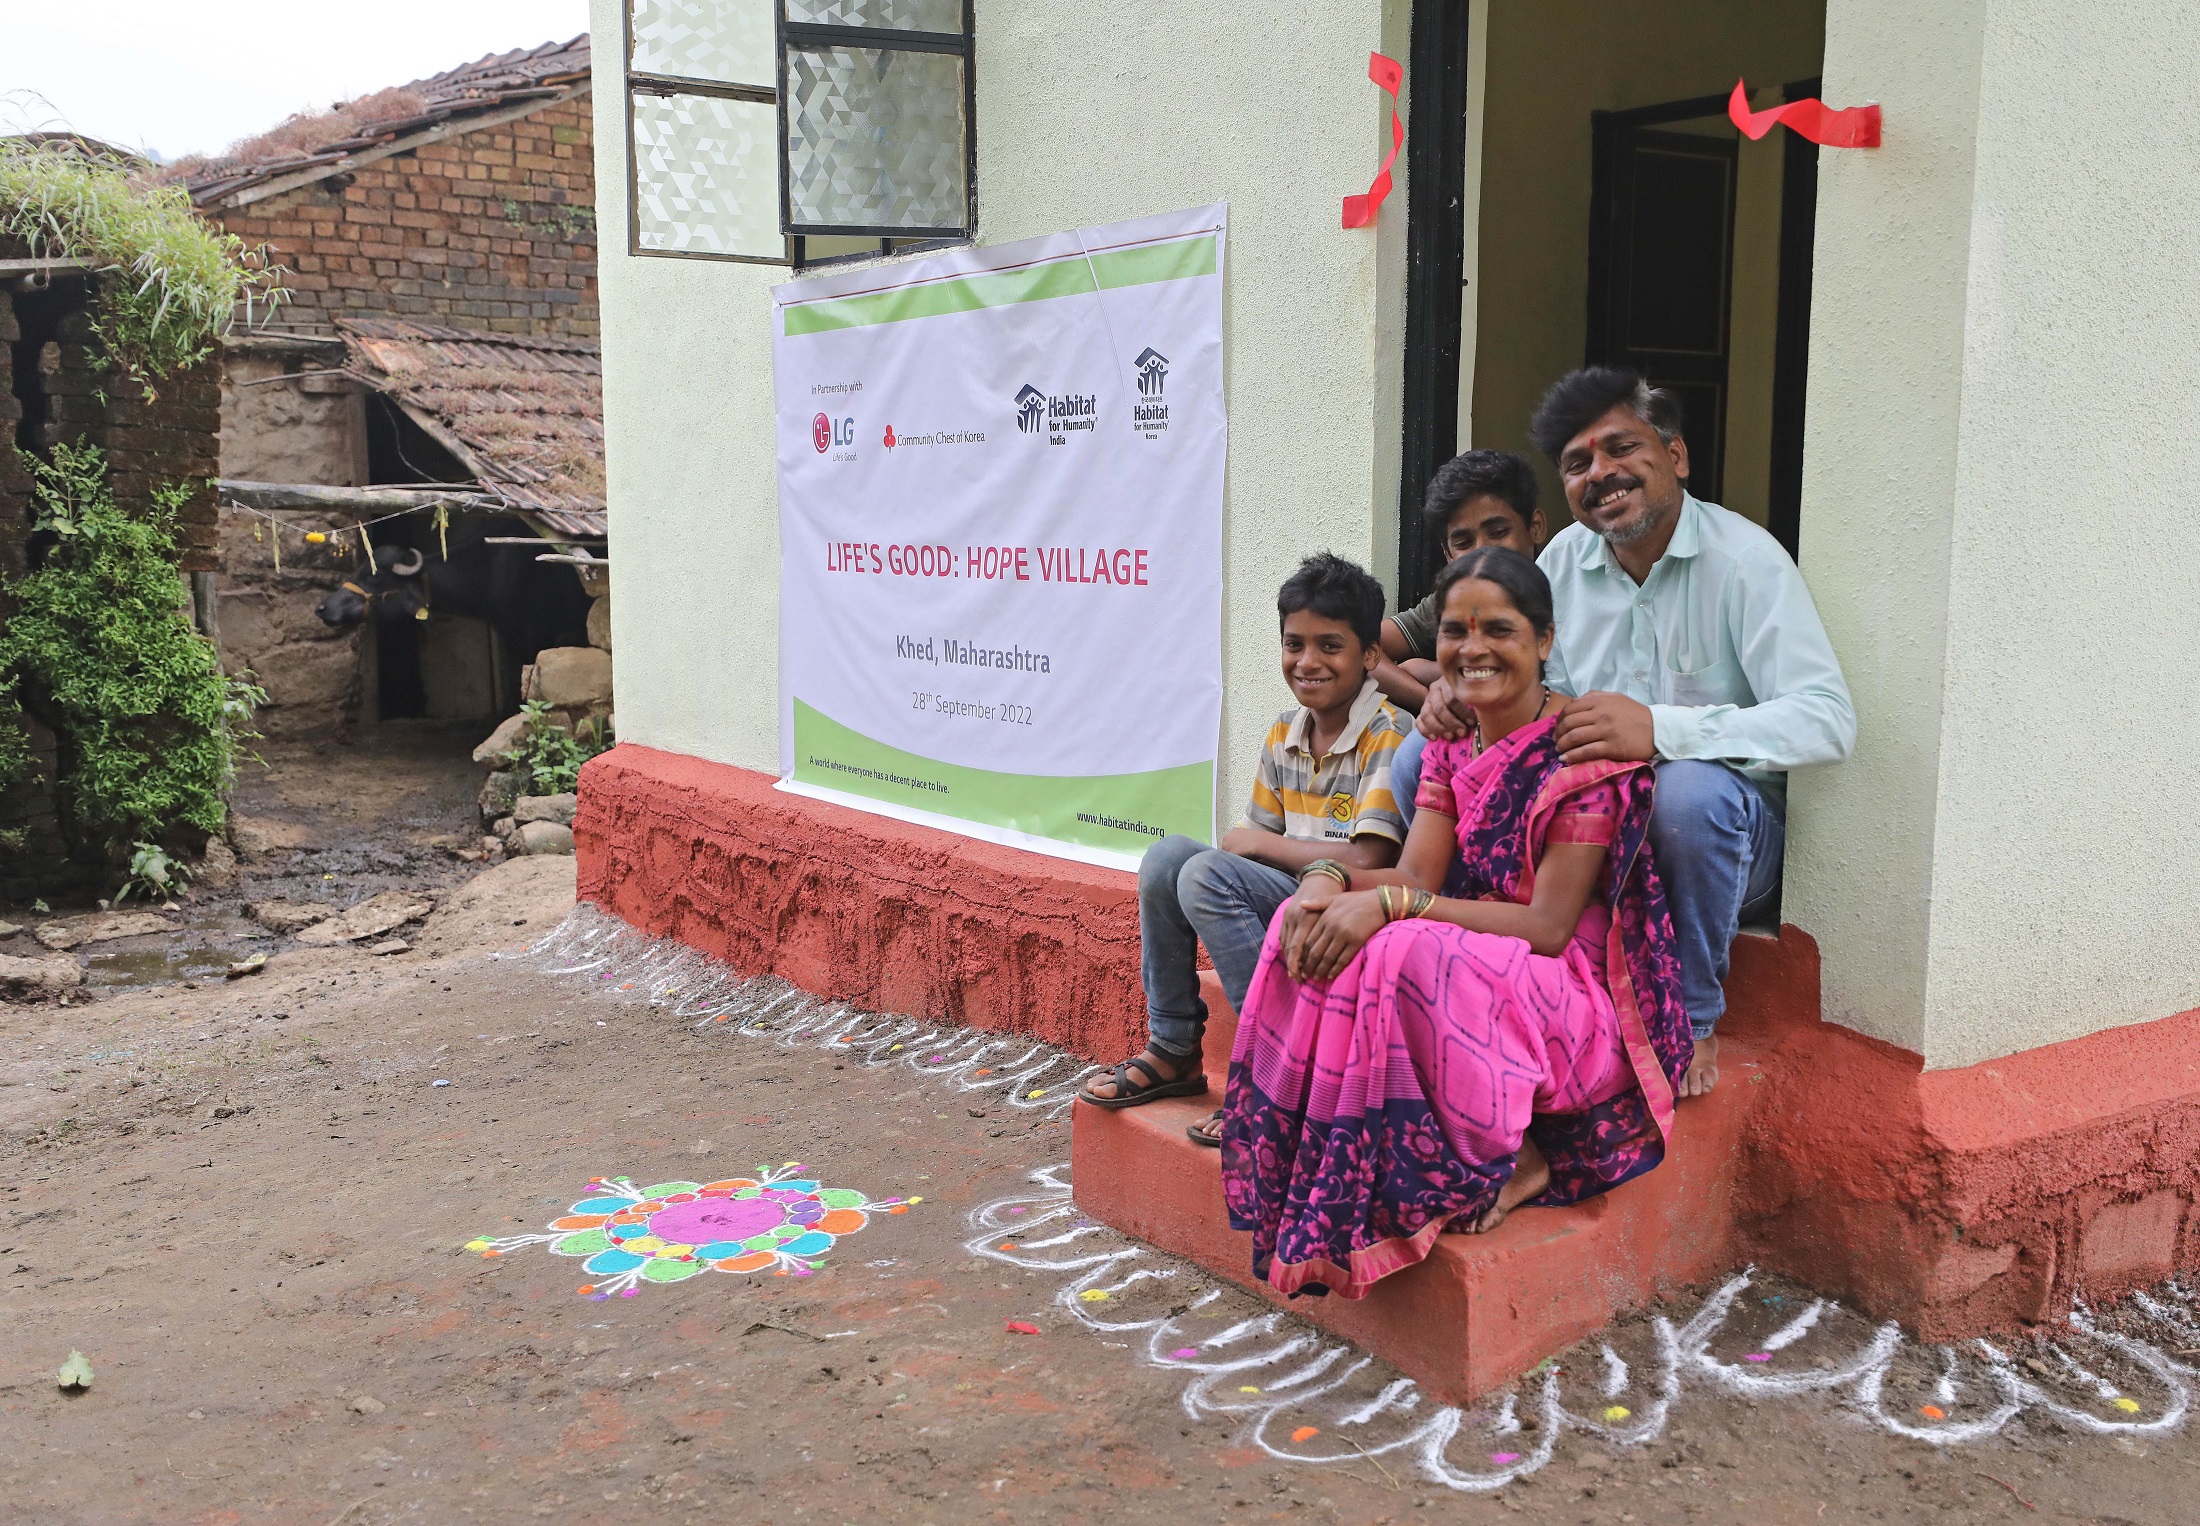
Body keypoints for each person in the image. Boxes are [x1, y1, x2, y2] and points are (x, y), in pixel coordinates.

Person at [1218, 547, 1690, 1298]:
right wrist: (1330, 877)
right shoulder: (1449, 741)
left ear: (1543, 640)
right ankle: (1347, 1146)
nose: (1472, 649)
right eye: (1455, 631)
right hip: (1479, 953)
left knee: (1403, 945)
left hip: (1572, 993)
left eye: (1497, 630)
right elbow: (1412, 877)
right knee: (1297, 919)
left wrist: (1391, 906)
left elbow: (1546, 926)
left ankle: (1504, 1155)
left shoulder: (1581, 753)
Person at [1412, 369, 1855, 1099]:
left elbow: (1827, 719)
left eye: (1622, 448)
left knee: (1686, 795)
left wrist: (1660, 729)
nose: (1601, 474)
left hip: (1723, 841)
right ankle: (1443, 957)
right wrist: (1458, 690)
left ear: (1675, 456)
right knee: (1417, 758)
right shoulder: (1562, 565)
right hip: (1589, 816)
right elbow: (1525, 679)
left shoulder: (1744, 562)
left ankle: (1691, 1015)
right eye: (1579, 464)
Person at [1080, 553, 1408, 1113]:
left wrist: (1264, 846)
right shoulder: (1285, 731)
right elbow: (1254, 857)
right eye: (1294, 644)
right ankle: (1175, 1046)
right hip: (1293, 897)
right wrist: (1259, 850)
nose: (1308, 662)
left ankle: (1277, 1068)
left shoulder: (1388, 731)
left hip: (1351, 905)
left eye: (1330, 646)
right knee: (1167, 859)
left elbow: (1368, 854)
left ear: (1370, 656)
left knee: (1206, 874)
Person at [1372, 448, 1546, 715]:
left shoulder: (1566, 588)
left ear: (1535, 527)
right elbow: (1362, 648)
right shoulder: (1449, 603)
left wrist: (1431, 671)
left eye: (1498, 532)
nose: (1482, 551)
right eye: (1464, 542)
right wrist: (1431, 698)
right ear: (1448, 555)